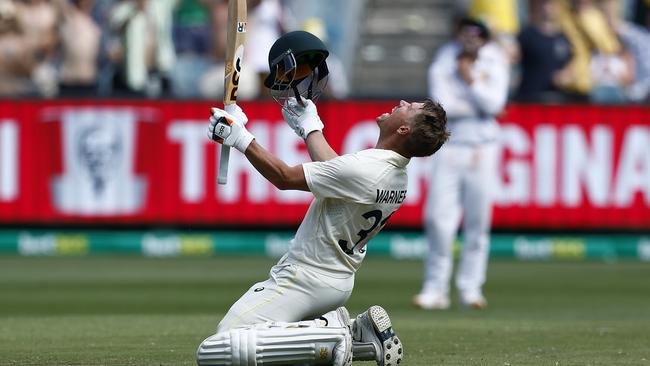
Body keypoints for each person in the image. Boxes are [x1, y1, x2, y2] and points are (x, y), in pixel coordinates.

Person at [196, 30, 449, 366]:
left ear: (404, 130)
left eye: (410, 108)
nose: (402, 103)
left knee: (218, 349)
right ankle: (359, 338)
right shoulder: (395, 175)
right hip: (337, 280)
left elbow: (285, 178)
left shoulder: (368, 169)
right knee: (247, 341)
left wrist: (241, 138)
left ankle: (335, 338)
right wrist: (309, 127)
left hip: (307, 276)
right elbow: (335, 171)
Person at [414, 17, 509, 310]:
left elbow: (494, 104)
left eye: (475, 35)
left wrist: (469, 79)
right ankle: (435, 288)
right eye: (465, 34)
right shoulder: (445, 57)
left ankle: (470, 288)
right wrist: (475, 99)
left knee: (478, 220)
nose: (470, 40)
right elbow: (442, 104)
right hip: (450, 142)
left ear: (483, 38)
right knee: (437, 218)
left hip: (483, 145)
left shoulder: (495, 59)